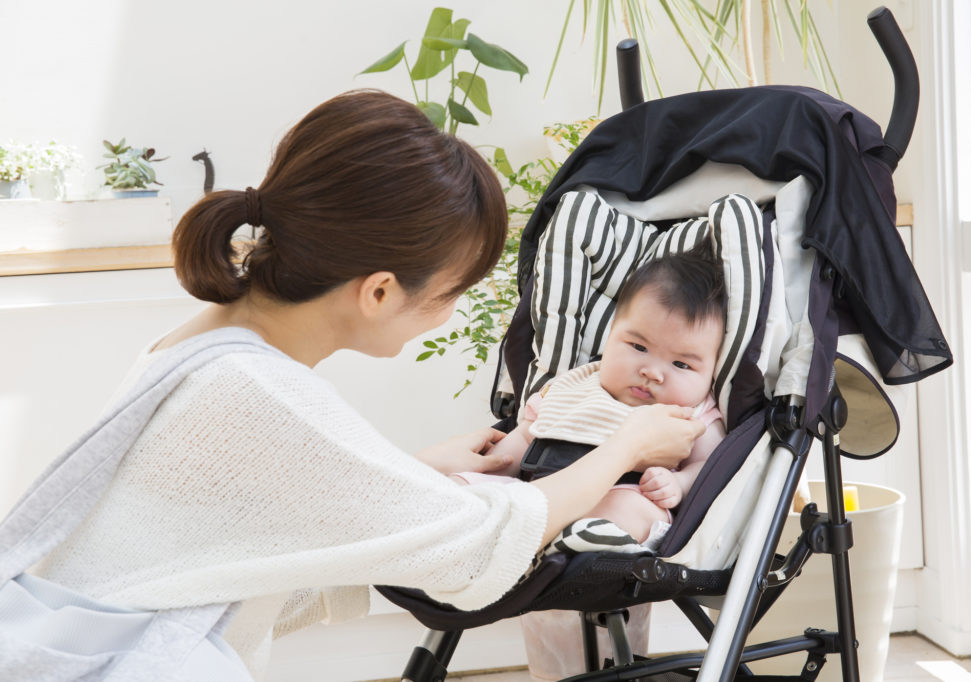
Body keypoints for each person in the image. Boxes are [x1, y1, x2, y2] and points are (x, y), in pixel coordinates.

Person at [27, 90, 706, 680]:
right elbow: (481, 541)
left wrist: (405, 473)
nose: (453, 311)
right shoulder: (263, 397)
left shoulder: (201, 346)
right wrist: (625, 448)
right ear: (380, 291)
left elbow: (244, 525)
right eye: (451, 293)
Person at [453, 246, 728, 549]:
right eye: (638, 347)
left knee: (632, 510)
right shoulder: (576, 387)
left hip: (626, 496)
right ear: (611, 335)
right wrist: (484, 472)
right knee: (466, 488)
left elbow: (710, 465)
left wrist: (680, 483)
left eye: (681, 364)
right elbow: (526, 438)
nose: (652, 372)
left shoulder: (695, 416)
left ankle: (586, 539)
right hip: (541, 495)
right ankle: (460, 510)